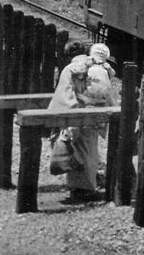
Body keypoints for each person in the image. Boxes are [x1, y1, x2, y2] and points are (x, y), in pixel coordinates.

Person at [49, 42, 115, 202]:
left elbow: (63, 95)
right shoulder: (98, 68)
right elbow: (107, 95)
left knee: (76, 151)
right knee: (89, 151)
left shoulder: (69, 69)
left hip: (75, 115)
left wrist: (68, 117)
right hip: (93, 115)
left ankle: (80, 191)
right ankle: (88, 187)